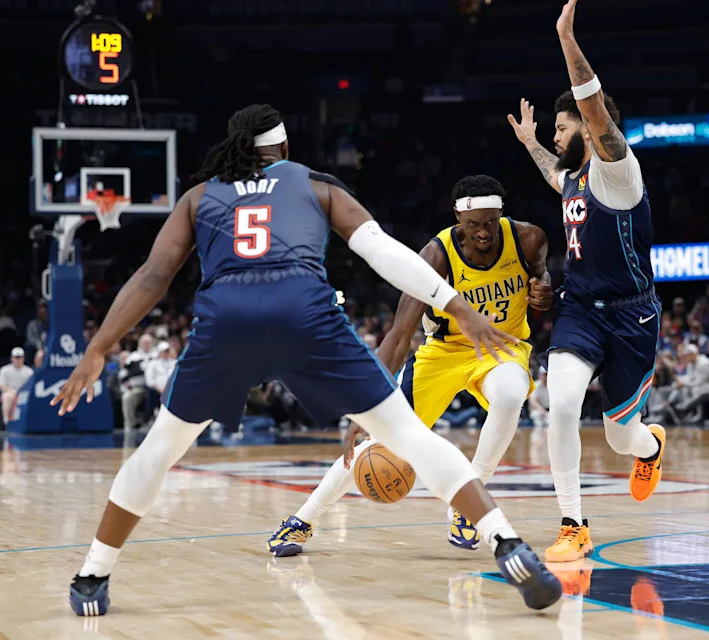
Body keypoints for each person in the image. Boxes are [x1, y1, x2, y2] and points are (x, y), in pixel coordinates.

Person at [54, 104, 561, 617]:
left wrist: (98, 349)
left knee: (158, 450)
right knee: (409, 436)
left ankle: (93, 575)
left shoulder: (198, 197)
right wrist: (455, 305)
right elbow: (380, 250)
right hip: (305, 317)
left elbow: (152, 277)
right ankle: (505, 542)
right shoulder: (314, 184)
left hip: (226, 324)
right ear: (285, 150)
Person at [268, 174, 552, 554]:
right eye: (472, 225)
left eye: (489, 223)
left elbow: (541, 278)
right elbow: (400, 335)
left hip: (501, 347)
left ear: (501, 215)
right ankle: (302, 520)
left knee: (511, 394)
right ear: (457, 218)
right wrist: (366, 406)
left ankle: (468, 504)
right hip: (443, 351)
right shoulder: (435, 257)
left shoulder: (528, 238)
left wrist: (543, 289)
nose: (482, 233)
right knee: (377, 438)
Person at [506, 0, 666, 563]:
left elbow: (595, 110)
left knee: (622, 436)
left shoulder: (618, 171)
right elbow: (553, 173)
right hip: (581, 311)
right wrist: (529, 141)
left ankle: (649, 445)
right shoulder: (573, 179)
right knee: (561, 400)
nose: (556, 133)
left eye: (560, 125)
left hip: (632, 314)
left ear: (588, 128)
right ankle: (574, 522)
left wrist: (567, 40)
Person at [0, 347, 33, 424]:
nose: (18, 360)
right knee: (6, 396)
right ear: (12, 358)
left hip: (24, 394)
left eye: (20, 358)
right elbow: (2, 386)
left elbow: (31, 387)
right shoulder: (4, 370)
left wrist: (20, 393)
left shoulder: (29, 372)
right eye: (16, 358)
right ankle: (6, 420)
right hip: (10, 394)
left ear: (23, 358)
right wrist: (14, 392)